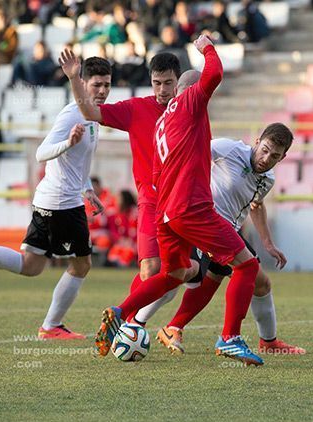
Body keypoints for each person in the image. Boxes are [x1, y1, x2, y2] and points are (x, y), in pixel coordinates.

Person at [97, 36, 264, 367]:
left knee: (177, 273)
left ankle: (122, 311)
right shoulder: (189, 102)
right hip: (192, 208)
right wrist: (207, 48)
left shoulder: (164, 121)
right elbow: (213, 74)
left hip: (167, 212)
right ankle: (230, 338)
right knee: (247, 265)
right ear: (192, 91)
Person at [135, 125, 305, 355]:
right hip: (204, 223)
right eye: (264, 150)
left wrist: (267, 243)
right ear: (257, 141)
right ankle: (135, 322)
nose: (266, 158)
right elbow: (191, 153)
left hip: (230, 233)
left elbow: (256, 205)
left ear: (283, 157)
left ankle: (267, 342)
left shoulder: (268, 179)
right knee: (183, 272)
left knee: (258, 283)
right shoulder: (229, 149)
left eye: (274, 156)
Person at [59, 49, 183, 327]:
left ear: (178, 81)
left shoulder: (190, 108)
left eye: (168, 83)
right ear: (150, 81)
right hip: (153, 202)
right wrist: (73, 78)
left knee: (185, 273)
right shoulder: (135, 109)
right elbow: (89, 110)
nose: (162, 90)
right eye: (156, 83)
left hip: (185, 204)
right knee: (151, 268)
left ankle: (164, 327)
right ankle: (125, 322)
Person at [0, 57, 111, 339]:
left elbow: (77, 162)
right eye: (96, 85)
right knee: (81, 264)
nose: (103, 91)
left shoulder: (93, 114)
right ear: (82, 83)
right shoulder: (72, 114)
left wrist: (86, 188)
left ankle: (51, 326)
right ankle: (51, 326)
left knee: (31, 266)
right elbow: (41, 153)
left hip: (56, 199)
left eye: (107, 85)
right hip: (61, 203)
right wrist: (66, 143)